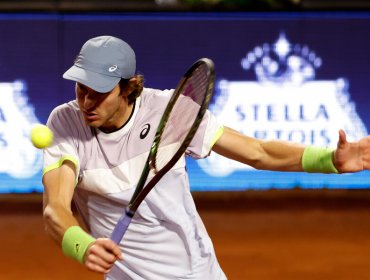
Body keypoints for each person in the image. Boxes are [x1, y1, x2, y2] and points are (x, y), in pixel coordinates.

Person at [42, 35, 370, 280]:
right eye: (81, 89)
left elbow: (257, 152)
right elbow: (55, 208)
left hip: (195, 272)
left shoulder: (170, 112)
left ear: (129, 87)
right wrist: (81, 246)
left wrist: (330, 160)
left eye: (99, 92)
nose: (87, 102)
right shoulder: (65, 122)